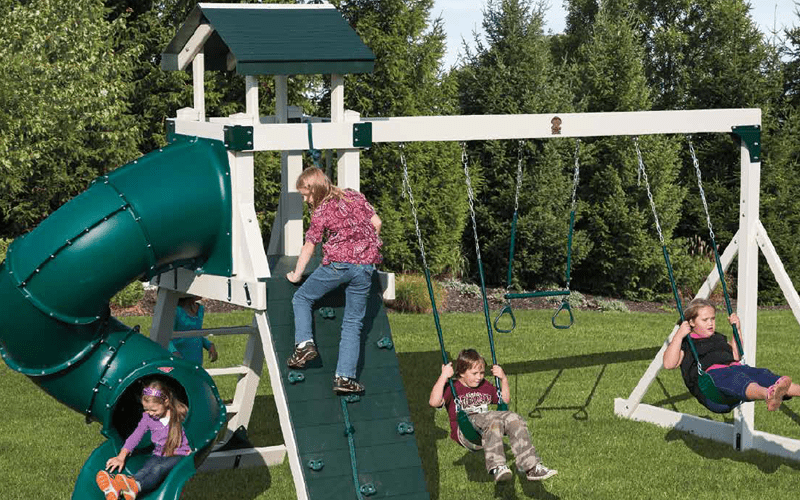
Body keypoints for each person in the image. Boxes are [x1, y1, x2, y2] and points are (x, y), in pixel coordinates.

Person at [285, 166, 382, 394]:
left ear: (314, 190)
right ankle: (345, 378)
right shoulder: (353, 195)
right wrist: (365, 251)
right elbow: (376, 223)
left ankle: (304, 345)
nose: (305, 200)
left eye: (305, 195)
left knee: (302, 297)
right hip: (365, 267)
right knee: (353, 324)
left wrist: (296, 274)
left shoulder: (321, 211)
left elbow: (310, 244)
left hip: (339, 265)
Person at [428, 348, 558, 483]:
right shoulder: (453, 387)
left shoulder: (484, 385)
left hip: (487, 427)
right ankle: (497, 466)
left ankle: (532, 468)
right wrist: (443, 377)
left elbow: (504, 400)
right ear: (461, 373)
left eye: (482, 373)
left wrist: (503, 379)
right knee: (491, 419)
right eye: (474, 373)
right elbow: (434, 402)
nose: (479, 377)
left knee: (514, 417)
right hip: (466, 430)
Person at [663, 297, 800, 411]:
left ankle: (789, 390)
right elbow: (669, 364)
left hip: (734, 369)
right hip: (711, 386)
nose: (711, 323)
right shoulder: (687, 343)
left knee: (761, 374)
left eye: (713, 319)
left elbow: (736, 356)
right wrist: (679, 335)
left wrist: (737, 330)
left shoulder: (718, 338)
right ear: (691, 322)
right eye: (705, 320)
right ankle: (768, 394)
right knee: (736, 378)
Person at [95, 379, 191, 500]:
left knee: (158, 470)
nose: (150, 413)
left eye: (154, 410)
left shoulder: (180, 413)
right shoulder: (147, 418)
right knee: (144, 470)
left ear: (166, 401)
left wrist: (194, 451)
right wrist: (121, 456)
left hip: (179, 455)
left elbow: (194, 430)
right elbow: (136, 436)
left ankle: (133, 486)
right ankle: (118, 487)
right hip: (158, 453)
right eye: (146, 409)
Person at [167, 294, 218, 366]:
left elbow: (197, 333)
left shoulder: (200, 309)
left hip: (196, 360)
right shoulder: (176, 311)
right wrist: (174, 352)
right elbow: (166, 336)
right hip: (179, 359)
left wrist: (209, 345)